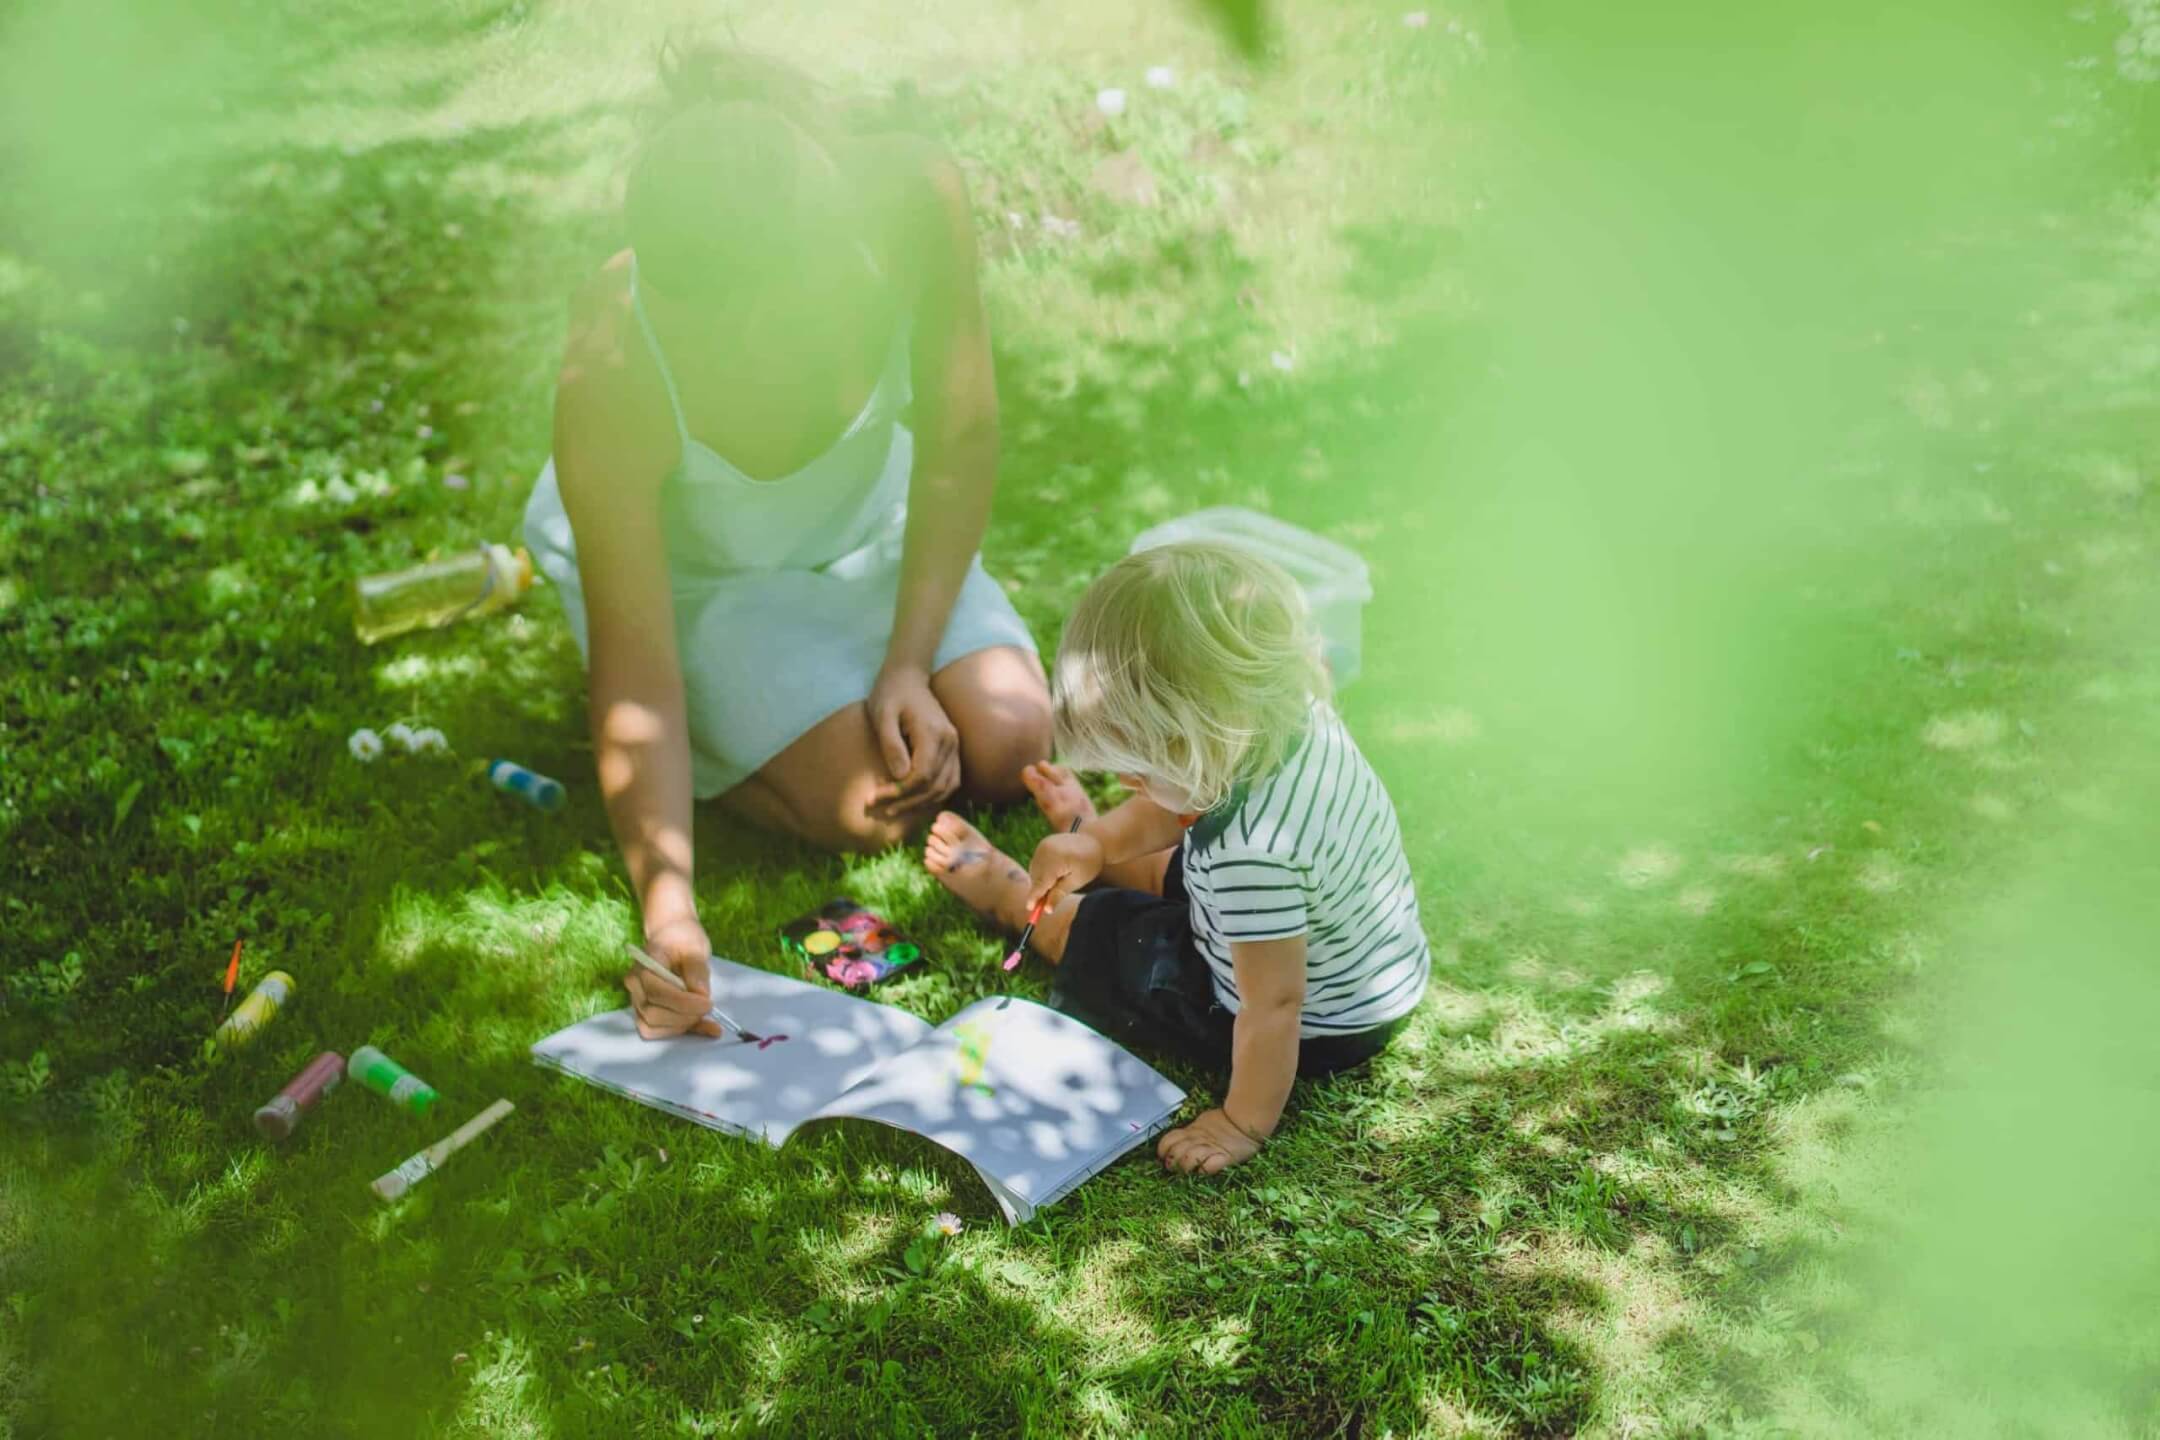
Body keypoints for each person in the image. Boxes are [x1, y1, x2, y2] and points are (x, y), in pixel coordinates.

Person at [521, 48, 1050, 1039]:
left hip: (866, 527)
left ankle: (836, 686)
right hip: (709, 578)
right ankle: (746, 742)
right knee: (868, 802)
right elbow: (639, 673)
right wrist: (670, 909)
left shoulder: (913, 200)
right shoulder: (617, 355)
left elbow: (960, 439)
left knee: (1014, 736)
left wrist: (907, 662)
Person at [925, 543, 1430, 1174]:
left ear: (1203, 739)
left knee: (1124, 941)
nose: (1127, 782)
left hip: (1318, 1028)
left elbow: (1272, 1006)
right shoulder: (1285, 720)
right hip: (1365, 971)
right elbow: (1187, 804)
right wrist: (1097, 842)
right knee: (1181, 848)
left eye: (1140, 770)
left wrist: (1240, 1124)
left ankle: (1012, 897)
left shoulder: (1254, 855)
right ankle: (1100, 855)